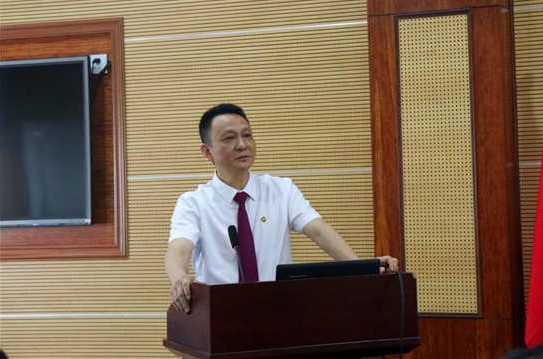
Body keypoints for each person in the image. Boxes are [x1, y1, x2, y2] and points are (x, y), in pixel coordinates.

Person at [165, 103, 399, 313]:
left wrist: (363, 269)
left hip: (279, 311)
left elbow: (319, 231)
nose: (242, 145)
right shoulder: (193, 202)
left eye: (247, 135)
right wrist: (179, 277)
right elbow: (178, 251)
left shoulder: (281, 190)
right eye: (229, 138)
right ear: (207, 152)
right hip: (220, 314)